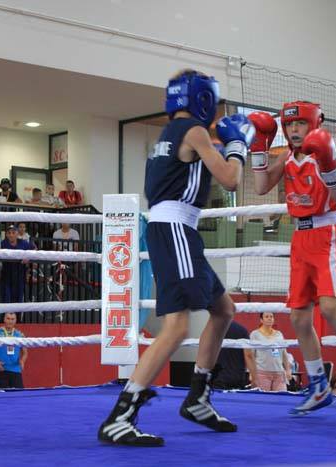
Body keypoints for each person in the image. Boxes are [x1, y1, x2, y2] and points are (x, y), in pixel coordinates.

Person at [98, 70, 245, 446]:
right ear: (204, 100)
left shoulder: (166, 136)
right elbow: (230, 179)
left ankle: (198, 396)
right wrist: (237, 145)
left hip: (178, 231)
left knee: (224, 310)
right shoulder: (194, 132)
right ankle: (121, 415)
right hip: (176, 230)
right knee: (178, 328)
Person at [252, 101, 336, 415]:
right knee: (298, 318)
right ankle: (319, 386)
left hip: (328, 233)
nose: (294, 130)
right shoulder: (285, 158)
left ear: (314, 126)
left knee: (331, 307)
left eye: (300, 124)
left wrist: (329, 164)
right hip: (300, 237)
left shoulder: (323, 151)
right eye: (290, 125)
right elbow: (260, 188)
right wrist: (259, 147)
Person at [247, 312, 292, 392]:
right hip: (261, 373)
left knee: (281, 399)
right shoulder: (255, 334)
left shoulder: (279, 334)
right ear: (261, 320)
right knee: (263, 399)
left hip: (279, 373)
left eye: (271, 316)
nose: (269, 318)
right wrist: (252, 372)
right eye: (266, 316)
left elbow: (284, 353)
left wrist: (288, 370)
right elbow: (251, 355)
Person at [0, 312, 28, 388]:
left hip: (16, 370)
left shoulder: (20, 334)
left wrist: (22, 361)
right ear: (4, 319)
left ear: (15, 320)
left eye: (12, 319)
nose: (10, 321)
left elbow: (25, 352)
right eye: (8, 318)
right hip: (1, 370)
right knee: (0, 397)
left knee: (18, 396)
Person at [212, 321, 252, 390]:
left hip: (219, 376)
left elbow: (208, 352)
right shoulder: (242, 330)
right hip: (237, 376)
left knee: (218, 400)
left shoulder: (214, 329)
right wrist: (254, 377)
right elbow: (248, 355)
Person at [1, 224, 35, 303]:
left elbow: (34, 249)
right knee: (7, 299)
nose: (11, 235)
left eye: (13, 232)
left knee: (18, 299)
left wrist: (28, 257)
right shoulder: (3, 243)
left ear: (17, 233)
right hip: (7, 275)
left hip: (20, 274)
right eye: (9, 233)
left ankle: (18, 315)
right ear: (6, 234)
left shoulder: (23, 243)